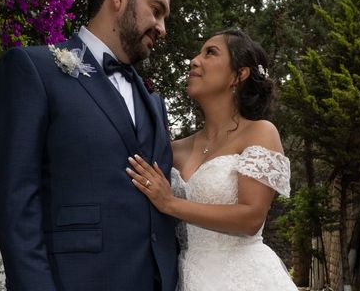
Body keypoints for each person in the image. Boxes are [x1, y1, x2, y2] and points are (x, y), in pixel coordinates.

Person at [0, 0, 178, 291]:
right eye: (157, 10)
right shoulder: (34, 71)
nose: (162, 28)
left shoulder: (153, 102)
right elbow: (15, 203)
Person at [127, 29, 297, 290]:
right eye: (198, 52)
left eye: (210, 53)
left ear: (239, 75)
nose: (195, 60)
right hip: (186, 278)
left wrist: (170, 203)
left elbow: (251, 218)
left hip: (246, 280)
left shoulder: (260, 132)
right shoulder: (174, 149)